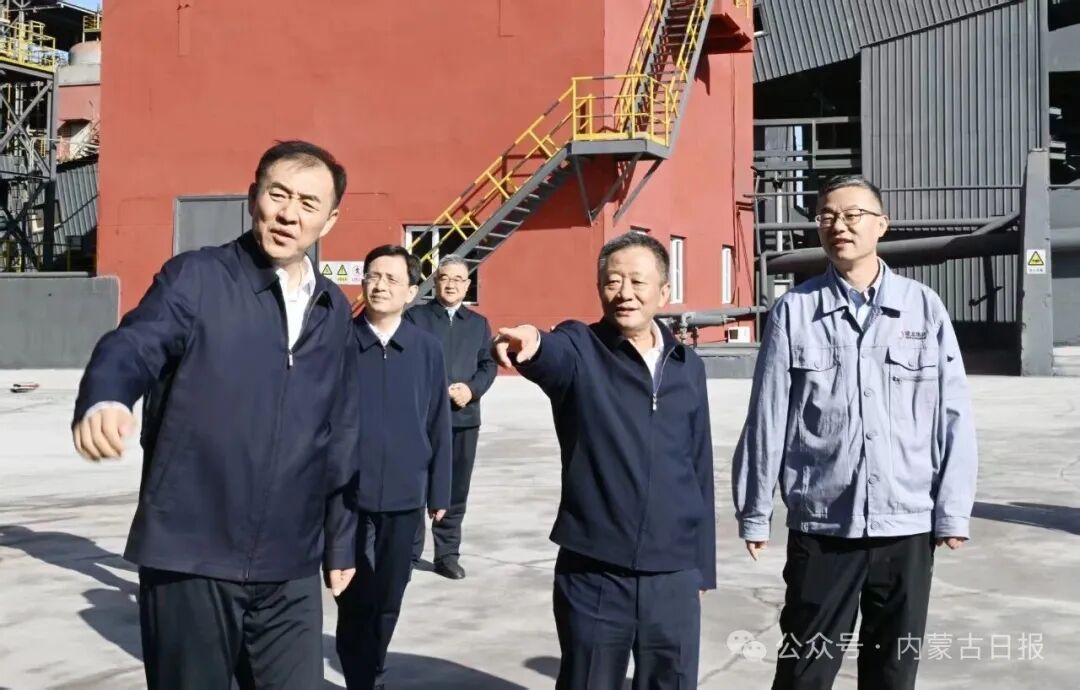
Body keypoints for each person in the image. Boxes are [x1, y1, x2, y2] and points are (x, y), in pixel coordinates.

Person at [71, 140, 360, 690]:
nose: (289, 214)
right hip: (191, 553)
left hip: (291, 562)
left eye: (308, 203)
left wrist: (340, 539)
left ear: (329, 220)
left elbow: (341, 430)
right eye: (278, 195)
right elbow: (135, 343)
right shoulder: (197, 278)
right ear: (253, 198)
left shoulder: (333, 308)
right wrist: (107, 396)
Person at [732, 174, 978, 690]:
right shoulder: (795, 311)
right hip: (824, 525)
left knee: (893, 671)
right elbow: (768, 416)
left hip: (906, 524)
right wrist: (755, 511)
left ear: (881, 225)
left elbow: (953, 414)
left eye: (852, 215)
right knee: (804, 669)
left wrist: (952, 509)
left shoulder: (923, 307)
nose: (838, 226)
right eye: (826, 216)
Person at [493, 231, 716, 690]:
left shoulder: (686, 365)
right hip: (594, 568)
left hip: (672, 571)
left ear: (664, 292)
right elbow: (550, 351)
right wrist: (531, 343)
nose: (624, 293)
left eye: (637, 281)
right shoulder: (582, 348)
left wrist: (701, 566)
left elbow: (699, 465)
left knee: (672, 682)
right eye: (613, 281)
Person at [334, 244, 452, 690]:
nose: (379, 286)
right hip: (347, 498)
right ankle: (362, 680)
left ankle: (374, 667)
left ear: (411, 291)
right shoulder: (340, 343)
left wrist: (440, 490)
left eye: (391, 279)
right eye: (372, 276)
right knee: (353, 598)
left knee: (389, 596)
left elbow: (438, 421)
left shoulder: (426, 349)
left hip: (405, 496)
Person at [405, 254, 497, 579]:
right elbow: (409, 360)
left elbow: (488, 365)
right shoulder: (415, 318)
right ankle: (408, 553)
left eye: (459, 279)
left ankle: (446, 555)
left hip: (463, 419)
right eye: (445, 278)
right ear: (436, 281)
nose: (451, 284)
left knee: (455, 489)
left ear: (467, 285)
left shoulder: (478, 324)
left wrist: (471, 390)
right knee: (416, 484)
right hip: (423, 418)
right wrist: (438, 388)